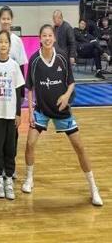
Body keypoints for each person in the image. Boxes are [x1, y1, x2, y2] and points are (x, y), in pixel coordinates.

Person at [21, 24, 103, 207]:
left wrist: (66, 96)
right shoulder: (34, 60)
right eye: (44, 35)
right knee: (30, 143)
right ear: (40, 38)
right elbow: (30, 88)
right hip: (42, 110)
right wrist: (31, 111)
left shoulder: (62, 57)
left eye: (50, 35)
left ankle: (93, 188)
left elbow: (71, 83)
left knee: (79, 146)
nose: (47, 38)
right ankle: (29, 178)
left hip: (62, 111)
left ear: (54, 38)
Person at [0, 31, 25, 200]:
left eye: (6, 42)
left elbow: (18, 90)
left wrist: (18, 113)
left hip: (10, 114)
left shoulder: (14, 65)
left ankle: (8, 178)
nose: (3, 44)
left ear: (10, 45)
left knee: (10, 147)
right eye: (0, 42)